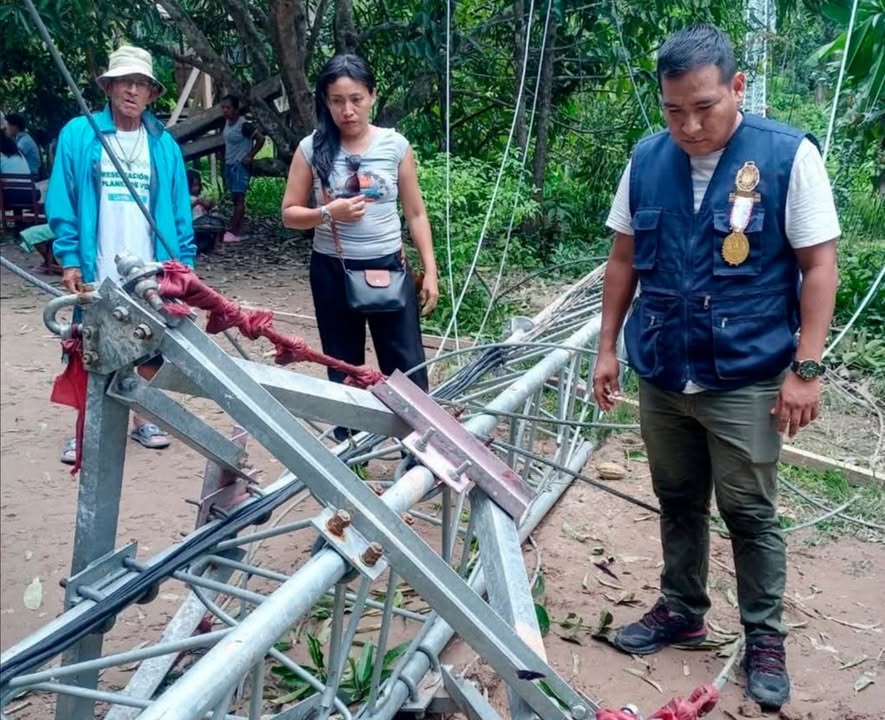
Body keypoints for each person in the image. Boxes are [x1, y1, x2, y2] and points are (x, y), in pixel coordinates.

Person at [592, 24, 839, 710]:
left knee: (748, 511)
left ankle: (763, 636)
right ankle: (681, 607)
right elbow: (621, 261)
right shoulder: (645, 160)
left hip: (747, 369)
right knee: (676, 497)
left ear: (736, 87)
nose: (690, 125)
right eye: (674, 110)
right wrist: (607, 347)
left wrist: (805, 368)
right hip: (663, 366)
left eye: (704, 106)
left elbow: (819, 266)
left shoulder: (786, 156)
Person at [47, 44, 196, 463]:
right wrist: (70, 257)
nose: (132, 90)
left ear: (151, 93)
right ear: (109, 87)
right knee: (88, 342)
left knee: (148, 339)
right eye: (124, 82)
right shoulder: (81, 134)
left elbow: (179, 209)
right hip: (98, 262)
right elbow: (63, 199)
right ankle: (86, 425)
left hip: (149, 264)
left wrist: (183, 266)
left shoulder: (162, 144)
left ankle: (142, 416)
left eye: (141, 84)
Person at [281, 54, 439, 441]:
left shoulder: (395, 145)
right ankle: (350, 453)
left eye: (355, 98)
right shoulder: (310, 149)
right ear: (325, 101)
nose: (347, 110)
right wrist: (327, 213)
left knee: (407, 365)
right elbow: (289, 213)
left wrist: (430, 270)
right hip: (333, 270)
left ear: (372, 96)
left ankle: (417, 452)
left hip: (388, 265)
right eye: (336, 100)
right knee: (343, 364)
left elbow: (416, 213)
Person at [220, 95, 264, 243]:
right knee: (234, 198)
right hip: (230, 164)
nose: (225, 111)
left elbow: (260, 138)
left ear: (236, 109)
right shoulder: (227, 123)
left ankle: (233, 231)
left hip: (239, 165)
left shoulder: (243, 125)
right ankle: (238, 231)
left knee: (240, 199)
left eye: (228, 108)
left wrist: (250, 155)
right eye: (223, 107)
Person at [4, 112, 43, 177]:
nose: (6, 129)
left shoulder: (25, 140)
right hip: (27, 176)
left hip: (32, 176)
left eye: (8, 125)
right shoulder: (19, 139)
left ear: (15, 126)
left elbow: (11, 157)